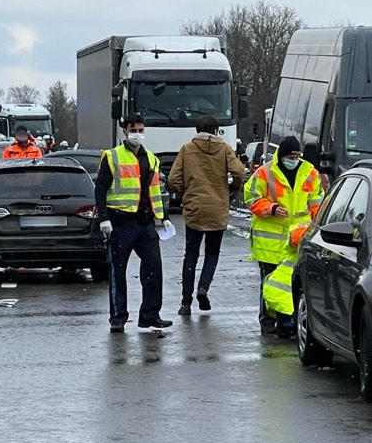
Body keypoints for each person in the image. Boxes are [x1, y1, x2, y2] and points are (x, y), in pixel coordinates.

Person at [95, 113, 174, 333]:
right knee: (117, 272)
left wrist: (164, 217)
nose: (137, 134)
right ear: (124, 131)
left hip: (145, 223)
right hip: (120, 222)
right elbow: (100, 189)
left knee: (154, 268)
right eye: (133, 131)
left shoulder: (152, 159)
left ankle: (150, 315)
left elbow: (154, 191)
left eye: (140, 130)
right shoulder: (112, 156)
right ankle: (118, 318)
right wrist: (104, 218)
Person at [244, 136, 322, 335]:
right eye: (290, 157)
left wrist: (317, 227)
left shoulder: (310, 173)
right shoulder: (265, 172)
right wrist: (270, 208)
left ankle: (287, 322)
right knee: (270, 283)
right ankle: (268, 321)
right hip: (269, 241)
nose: (294, 160)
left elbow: (317, 204)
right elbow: (251, 197)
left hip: (296, 239)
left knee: (288, 283)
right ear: (281, 156)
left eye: (297, 157)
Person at [168, 116, 245, 315]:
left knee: (191, 254)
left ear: (197, 130)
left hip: (194, 208)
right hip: (217, 207)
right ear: (216, 130)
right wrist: (232, 190)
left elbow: (173, 178)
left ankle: (185, 303)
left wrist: (184, 194)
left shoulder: (187, 149)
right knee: (212, 252)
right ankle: (203, 288)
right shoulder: (225, 149)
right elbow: (239, 171)